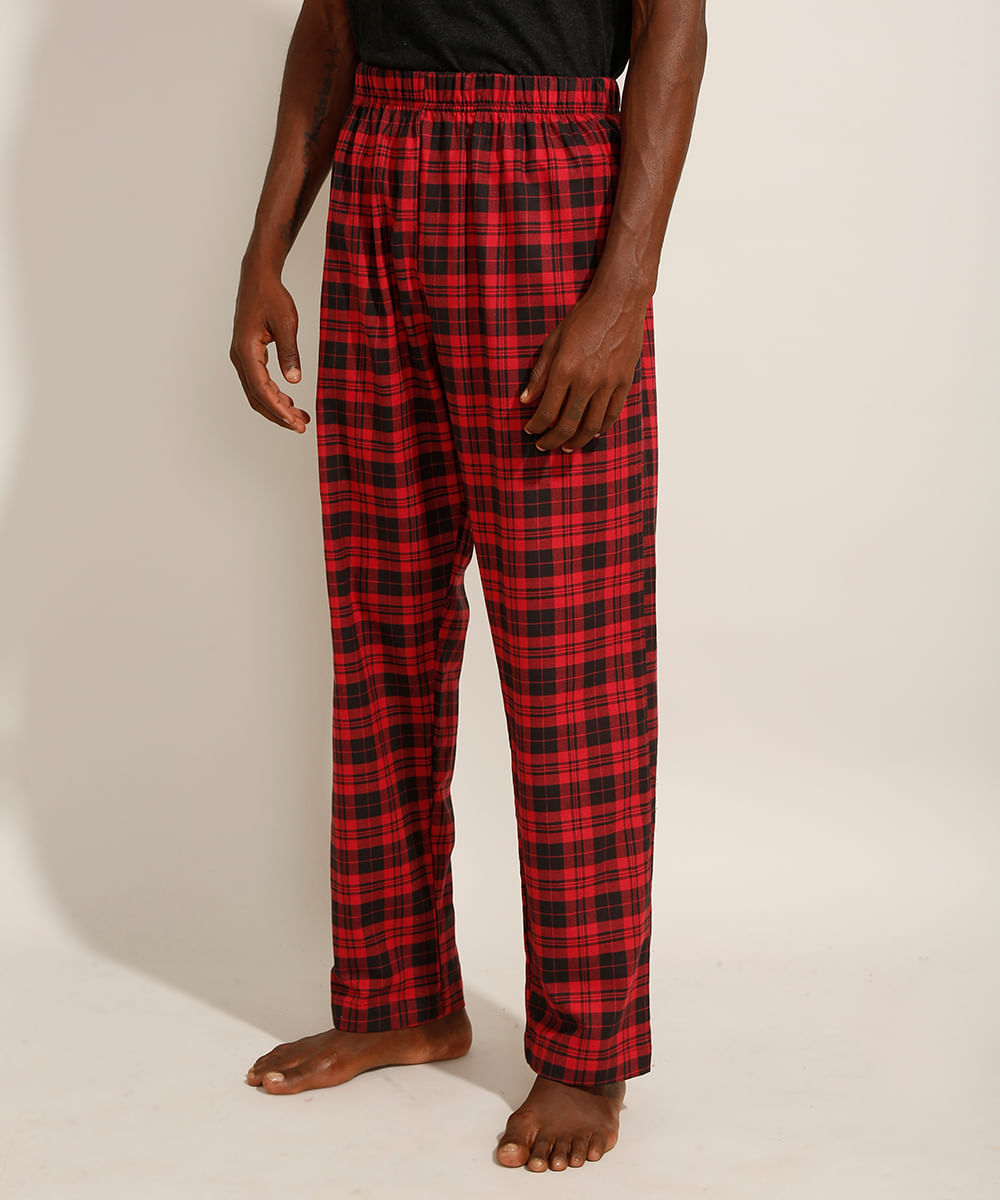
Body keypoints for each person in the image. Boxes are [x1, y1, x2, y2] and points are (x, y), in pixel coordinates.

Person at [230, 0, 707, 1173]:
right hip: (376, 177)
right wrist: (263, 249)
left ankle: (586, 1052)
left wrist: (623, 287)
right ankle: (398, 994)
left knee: (570, 655)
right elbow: (331, 24)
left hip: (544, 184)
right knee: (382, 620)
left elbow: (674, 23)